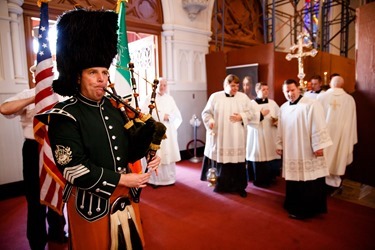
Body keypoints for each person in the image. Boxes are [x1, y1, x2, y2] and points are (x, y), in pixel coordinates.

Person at [35, 8, 162, 249]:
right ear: (77, 76)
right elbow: (73, 170)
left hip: (126, 198)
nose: (102, 78)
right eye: (93, 72)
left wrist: (149, 153)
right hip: (90, 206)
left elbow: (127, 151)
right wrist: (123, 178)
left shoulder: (116, 109)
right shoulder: (64, 115)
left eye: (104, 72)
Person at [0, 65, 67, 249]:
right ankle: (37, 240)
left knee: (57, 190)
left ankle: (58, 232)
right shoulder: (26, 93)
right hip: (33, 149)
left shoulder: (61, 95)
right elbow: (4, 109)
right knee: (34, 197)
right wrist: (35, 97)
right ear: (35, 75)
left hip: (56, 148)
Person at [276, 79, 332, 220]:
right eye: (286, 91)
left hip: (307, 149)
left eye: (292, 90)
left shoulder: (311, 104)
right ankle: (293, 203)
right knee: (294, 178)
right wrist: (279, 145)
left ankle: (307, 209)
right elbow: (280, 129)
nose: (290, 93)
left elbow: (318, 125)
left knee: (309, 178)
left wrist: (318, 145)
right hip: (291, 149)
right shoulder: (283, 108)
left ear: (298, 89)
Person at [200, 74, 258, 198]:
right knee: (223, 163)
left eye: (237, 86)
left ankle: (240, 187)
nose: (235, 88)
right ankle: (222, 186)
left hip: (238, 136)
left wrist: (241, 116)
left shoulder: (243, 97)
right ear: (225, 85)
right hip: (222, 136)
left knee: (238, 163)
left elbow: (252, 113)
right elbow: (206, 113)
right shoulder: (215, 97)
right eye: (232, 86)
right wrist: (210, 121)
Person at [317, 76, 357, 189]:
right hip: (342, 134)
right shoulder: (349, 99)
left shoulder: (321, 97)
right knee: (339, 154)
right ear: (342, 85)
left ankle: (321, 178)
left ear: (330, 83)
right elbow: (352, 120)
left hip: (323, 133)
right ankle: (334, 179)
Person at [140, 77, 182, 187]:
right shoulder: (150, 97)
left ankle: (169, 179)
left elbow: (177, 115)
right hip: (155, 131)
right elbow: (144, 114)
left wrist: (170, 117)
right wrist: (162, 116)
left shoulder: (170, 99)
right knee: (156, 154)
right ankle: (154, 180)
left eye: (164, 85)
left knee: (167, 154)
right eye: (160, 85)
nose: (162, 87)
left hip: (168, 131)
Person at [246, 82, 281, 187]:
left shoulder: (273, 103)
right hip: (257, 134)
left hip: (270, 133)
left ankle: (271, 177)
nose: (266, 91)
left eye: (267, 89)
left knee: (271, 155)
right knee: (259, 155)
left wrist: (277, 122)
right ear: (257, 91)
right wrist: (260, 115)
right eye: (263, 89)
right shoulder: (251, 104)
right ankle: (259, 179)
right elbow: (248, 119)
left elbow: (279, 116)